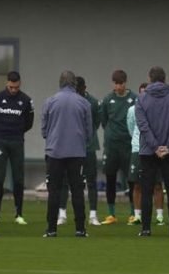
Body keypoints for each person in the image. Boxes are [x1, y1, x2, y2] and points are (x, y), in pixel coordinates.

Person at [42, 71, 91, 237]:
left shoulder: (50, 101)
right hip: (76, 152)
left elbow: (44, 130)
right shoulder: (84, 103)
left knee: (54, 190)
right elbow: (89, 131)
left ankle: (51, 229)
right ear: (74, 84)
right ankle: (80, 229)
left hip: (54, 152)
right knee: (77, 191)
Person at [134, 66, 169, 237]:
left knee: (147, 190)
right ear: (165, 78)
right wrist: (167, 145)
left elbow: (143, 126)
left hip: (148, 151)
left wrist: (155, 146)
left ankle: (146, 228)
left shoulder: (142, 98)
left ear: (150, 78)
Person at [0, 71, 34, 226]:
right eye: (11, 87)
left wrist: (17, 131)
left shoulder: (26, 100)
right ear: (6, 83)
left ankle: (19, 214)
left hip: (16, 141)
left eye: (16, 87)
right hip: (0, 142)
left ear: (19, 84)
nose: (14, 90)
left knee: (18, 179)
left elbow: (29, 123)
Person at [58, 76, 102, 226]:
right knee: (65, 180)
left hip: (88, 147)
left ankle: (93, 215)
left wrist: (85, 136)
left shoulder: (93, 102)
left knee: (91, 181)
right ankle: (62, 213)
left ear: (84, 88)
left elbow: (95, 123)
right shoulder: (69, 101)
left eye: (78, 90)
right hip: (70, 146)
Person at [125, 82, 165, 227]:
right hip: (138, 148)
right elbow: (131, 127)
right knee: (137, 184)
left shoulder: (157, 109)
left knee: (157, 184)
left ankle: (160, 216)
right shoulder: (132, 110)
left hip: (155, 148)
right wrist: (137, 141)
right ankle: (137, 215)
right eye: (141, 93)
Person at [100, 70, 137, 224]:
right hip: (112, 145)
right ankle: (111, 214)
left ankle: (134, 212)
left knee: (131, 179)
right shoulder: (108, 99)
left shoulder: (134, 98)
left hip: (128, 145)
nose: (118, 87)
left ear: (125, 83)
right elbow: (104, 121)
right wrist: (111, 134)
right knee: (110, 178)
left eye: (121, 83)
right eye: (116, 83)